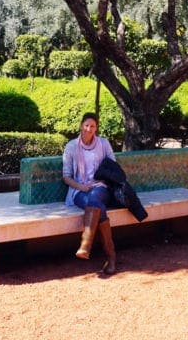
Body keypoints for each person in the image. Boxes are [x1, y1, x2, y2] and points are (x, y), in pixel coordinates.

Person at [62, 112, 117, 274]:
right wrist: (81, 187)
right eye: (86, 125)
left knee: (95, 198)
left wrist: (100, 182)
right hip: (79, 190)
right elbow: (66, 177)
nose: (89, 129)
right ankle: (111, 256)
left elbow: (113, 167)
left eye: (92, 126)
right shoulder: (71, 146)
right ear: (81, 126)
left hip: (101, 187)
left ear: (96, 128)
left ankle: (86, 245)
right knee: (97, 205)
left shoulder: (104, 144)